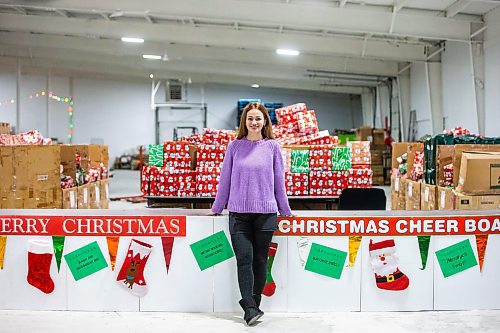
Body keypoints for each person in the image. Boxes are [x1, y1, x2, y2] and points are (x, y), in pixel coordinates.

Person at [210, 102, 293, 326]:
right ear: (244, 122)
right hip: (238, 214)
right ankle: (249, 307)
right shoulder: (234, 147)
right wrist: (218, 207)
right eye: (250, 119)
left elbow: (279, 182)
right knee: (243, 259)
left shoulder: (273, 147)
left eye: (258, 118)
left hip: (266, 213)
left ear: (265, 121)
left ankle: (253, 306)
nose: (254, 122)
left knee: (260, 260)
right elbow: (224, 180)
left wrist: (285, 209)